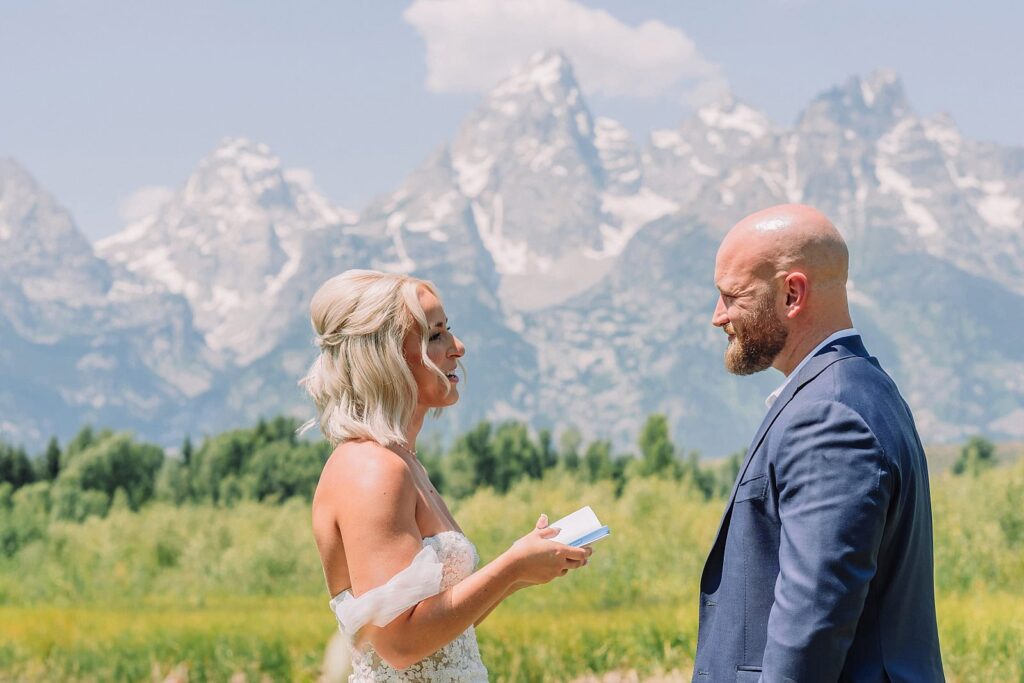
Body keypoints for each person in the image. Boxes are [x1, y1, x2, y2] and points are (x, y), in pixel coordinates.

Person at [693, 205, 944, 681]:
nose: (717, 316)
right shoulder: (859, 390)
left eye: (732, 296)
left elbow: (811, 629)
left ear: (792, 293)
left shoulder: (828, 416)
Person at [302, 269, 591, 682]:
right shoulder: (371, 468)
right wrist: (510, 567)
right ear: (386, 356)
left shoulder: (403, 462)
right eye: (435, 336)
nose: (458, 348)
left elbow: (442, 634)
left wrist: (523, 571)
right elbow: (399, 644)